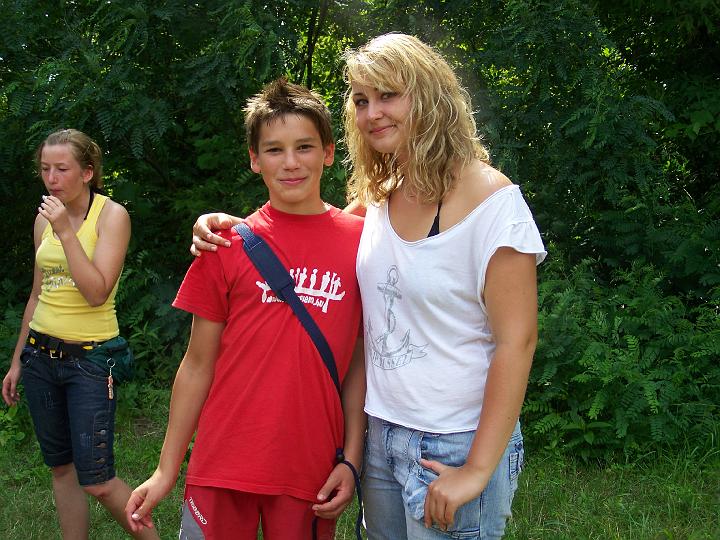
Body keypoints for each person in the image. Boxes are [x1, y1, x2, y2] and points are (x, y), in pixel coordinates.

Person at [191, 33, 546, 539]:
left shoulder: (492, 200)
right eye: (361, 100)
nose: (372, 113)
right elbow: (308, 232)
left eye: (388, 95)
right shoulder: (380, 196)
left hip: (455, 442)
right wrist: (229, 228)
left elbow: (518, 341)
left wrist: (476, 469)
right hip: (381, 436)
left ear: (428, 95)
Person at [125, 78, 366, 540]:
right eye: (274, 150)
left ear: (328, 152)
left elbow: (357, 363)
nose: (290, 162)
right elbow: (197, 365)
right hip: (222, 462)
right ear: (255, 159)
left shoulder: (362, 244)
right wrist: (165, 470)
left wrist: (351, 459)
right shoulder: (225, 244)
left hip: (310, 467)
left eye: (304, 147)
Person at [1, 128, 158, 539]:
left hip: (89, 360)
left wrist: (66, 233)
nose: (51, 178)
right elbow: (37, 295)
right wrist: (17, 361)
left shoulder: (111, 216)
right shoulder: (44, 219)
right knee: (61, 468)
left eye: (62, 169)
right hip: (40, 357)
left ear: (87, 172)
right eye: (45, 169)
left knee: (98, 480)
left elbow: (96, 292)